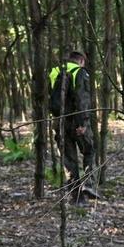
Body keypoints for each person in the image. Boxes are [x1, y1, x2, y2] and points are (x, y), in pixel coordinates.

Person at [49, 50, 95, 202]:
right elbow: (82, 98)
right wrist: (83, 123)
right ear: (81, 60)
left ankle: (76, 198)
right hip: (77, 121)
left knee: (69, 160)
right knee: (89, 150)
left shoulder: (55, 72)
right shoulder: (79, 72)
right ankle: (89, 184)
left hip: (59, 122)